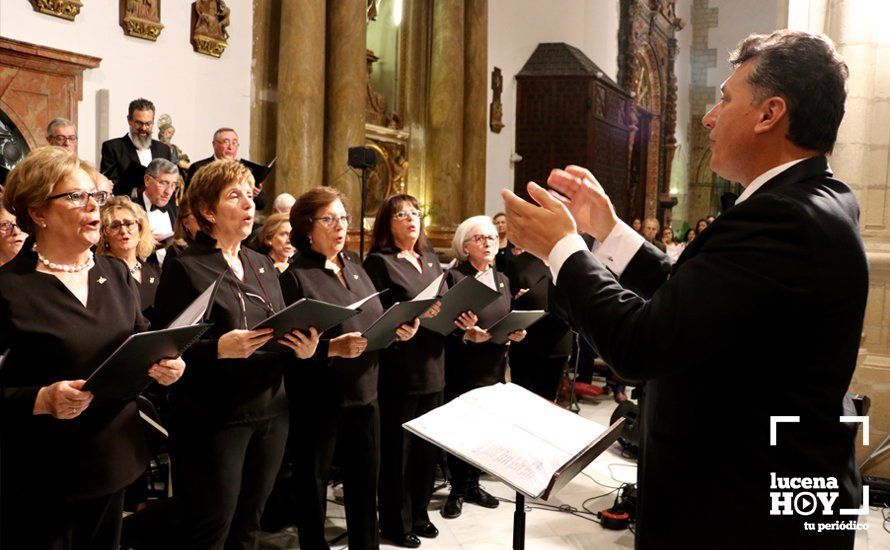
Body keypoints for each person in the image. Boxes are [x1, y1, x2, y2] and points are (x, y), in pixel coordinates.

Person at [502, 30, 864, 548]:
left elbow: (641, 344)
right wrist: (608, 229)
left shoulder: (783, 217)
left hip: (740, 510)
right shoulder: (815, 198)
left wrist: (562, 248)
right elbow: (698, 297)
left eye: (725, 98)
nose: (709, 117)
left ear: (770, 114)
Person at [0, 146, 184, 549]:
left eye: (95, 197)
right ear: (37, 212)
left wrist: (168, 364)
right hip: (43, 472)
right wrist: (41, 400)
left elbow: (141, 338)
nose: (93, 208)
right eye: (75, 196)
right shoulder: (9, 288)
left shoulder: (116, 272)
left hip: (112, 458)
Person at [153, 159, 317, 549]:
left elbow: (276, 331)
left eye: (250, 195)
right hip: (215, 418)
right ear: (207, 211)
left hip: (271, 412)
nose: (248, 204)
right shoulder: (186, 267)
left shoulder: (260, 263)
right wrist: (217, 350)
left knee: (249, 524)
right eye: (234, 196)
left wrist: (304, 349)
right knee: (212, 527)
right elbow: (165, 352)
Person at [280, 186, 419, 550]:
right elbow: (289, 346)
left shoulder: (355, 269)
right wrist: (331, 349)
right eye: (329, 219)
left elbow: (374, 322)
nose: (340, 226)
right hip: (319, 399)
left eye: (343, 217)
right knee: (313, 485)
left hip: (366, 394)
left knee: (364, 484)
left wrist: (398, 330)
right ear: (307, 227)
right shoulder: (296, 277)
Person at [363, 195, 446, 548]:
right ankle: (395, 522)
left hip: (434, 364)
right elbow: (376, 314)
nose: (411, 219)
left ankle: (420, 514)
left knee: (427, 449)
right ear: (387, 222)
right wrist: (410, 318)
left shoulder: (430, 259)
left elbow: (442, 303)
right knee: (398, 450)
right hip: (400, 367)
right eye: (401, 214)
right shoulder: (379, 262)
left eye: (415, 213)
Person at [441, 215, 526, 520]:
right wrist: (465, 333)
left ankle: (474, 483)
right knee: (461, 429)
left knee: (485, 430)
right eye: (480, 238)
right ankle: (457, 489)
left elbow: (506, 316)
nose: (489, 242)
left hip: (493, 366)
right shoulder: (454, 278)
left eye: (492, 237)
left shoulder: (502, 279)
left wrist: (516, 332)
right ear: (465, 246)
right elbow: (441, 325)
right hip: (463, 365)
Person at [502, 246, 572, 401]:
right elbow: (506, 301)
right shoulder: (519, 263)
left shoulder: (567, 262)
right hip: (527, 340)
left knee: (548, 400)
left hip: (558, 339)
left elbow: (576, 299)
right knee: (522, 399)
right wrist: (523, 299)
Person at [97, 196, 160, 320]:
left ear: (140, 229)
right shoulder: (100, 273)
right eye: (115, 226)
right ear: (104, 234)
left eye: (129, 224)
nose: (124, 231)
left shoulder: (154, 270)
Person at [100, 98, 173, 197]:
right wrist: (137, 191)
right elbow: (109, 187)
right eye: (139, 123)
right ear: (129, 120)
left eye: (148, 124)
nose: (143, 128)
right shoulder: (113, 148)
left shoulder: (164, 150)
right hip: (127, 208)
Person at [187, 127, 266, 209]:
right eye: (226, 142)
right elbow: (189, 199)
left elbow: (261, 205)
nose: (230, 147)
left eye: (234, 143)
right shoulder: (199, 167)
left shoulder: (244, 169)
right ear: (214, 144)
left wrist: (257, 194)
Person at [135, 158, 179, 247]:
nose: (169, 192)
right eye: (163, 183)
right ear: (147, 180)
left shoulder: (177, 211)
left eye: (173, 185)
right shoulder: (131, 210)